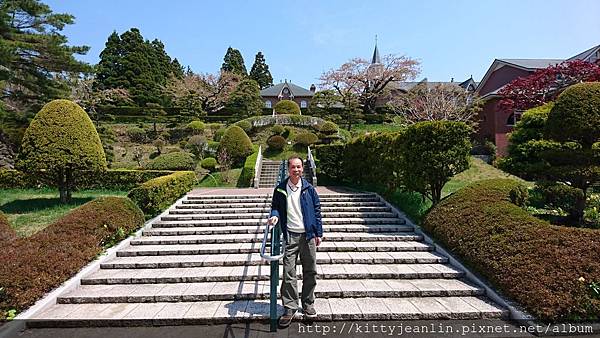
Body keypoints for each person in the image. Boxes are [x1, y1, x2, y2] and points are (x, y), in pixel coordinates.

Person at [267, 155, 323, 328]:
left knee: (310, 270)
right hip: (290, 235)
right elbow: (275, 207)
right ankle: (290, 307)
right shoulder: (280, 189)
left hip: (308, 235)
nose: (296, 170)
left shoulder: (308, 188)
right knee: (289, 272)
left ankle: (308, 304)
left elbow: (317, 210)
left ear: (302, 168)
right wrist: (275, 217)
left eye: (299, 167)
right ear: (288, 168)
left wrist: (318, 233)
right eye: (293, 167)